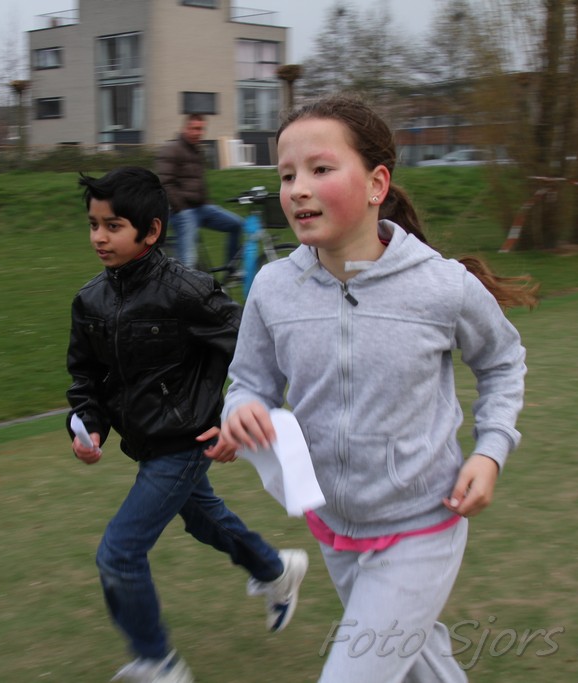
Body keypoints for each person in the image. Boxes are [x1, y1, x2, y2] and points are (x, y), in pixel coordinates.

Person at [211, 95, 538, 683]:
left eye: (320, 169)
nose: (298, 189)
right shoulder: (273, 288)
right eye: (287, 175)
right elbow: (251, 381)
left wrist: (490, 452)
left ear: (376, 184)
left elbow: (502, 362)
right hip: (335, 525)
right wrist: (243, 409)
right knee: (420, 668)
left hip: (424, 521)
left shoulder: (442, 286)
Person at [66, 166, 309, 683]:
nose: (99, 237)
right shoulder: (90, 301)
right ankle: (275, 569)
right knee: (202, 519)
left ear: (151, 231)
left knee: (119, 553)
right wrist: (86, 425)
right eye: (93, 225)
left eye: (113, 226)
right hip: (146, 443)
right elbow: (86, 377)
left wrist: (234, 419)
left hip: (187, 440)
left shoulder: (187, 290)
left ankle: (158, 662)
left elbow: (252, 348)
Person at [155, 113, 244, 270]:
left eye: (201, 129)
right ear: (185, 128)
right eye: (194, 128)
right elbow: (165, 183)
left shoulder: (197, 150)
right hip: (181, 211)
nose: (198, 133)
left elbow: (198, 182)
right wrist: (181, 208)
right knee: (188, 261)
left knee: (237, 224)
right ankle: (183, 283)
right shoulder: (172, 149)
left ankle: (231, 269)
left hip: (201, 208)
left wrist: (206, 202)